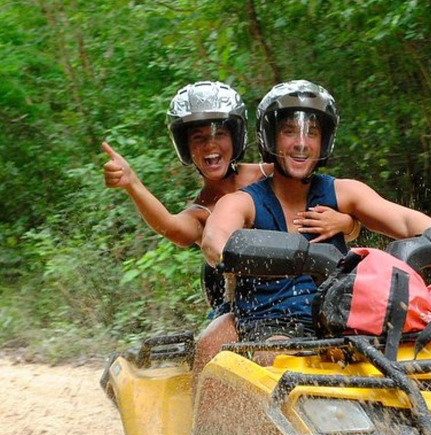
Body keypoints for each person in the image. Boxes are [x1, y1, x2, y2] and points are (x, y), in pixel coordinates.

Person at [196, 79, 431, 374]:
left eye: (312, 133)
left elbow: (406, 221)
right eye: (288, 131)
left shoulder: (344, 193)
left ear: (324, 142)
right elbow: (214, 239)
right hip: (269, 325)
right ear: (270, 138)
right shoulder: (242, 202)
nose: (301, 142)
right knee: (278, 362)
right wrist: (233, 251)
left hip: (343, 321)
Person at [101, 81, 359, 313]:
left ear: (236, 137)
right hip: (249, 308)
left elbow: (326, 199)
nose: (210, 145)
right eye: (198, 138)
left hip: (311, 293)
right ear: (186, 147)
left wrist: (348, 223)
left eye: (219, 134)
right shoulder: (203, 211)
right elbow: (172, 228)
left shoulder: (272, 174)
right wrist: (132, 184)